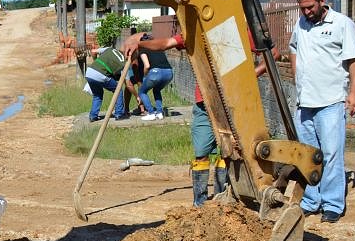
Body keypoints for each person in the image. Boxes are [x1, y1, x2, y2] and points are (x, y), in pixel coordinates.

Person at [124, 29, 269, 206]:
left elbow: (272, 53)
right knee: (201, 153)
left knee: (227, 152)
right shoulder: (196, 31)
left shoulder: (236, 29)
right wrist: (138, 44)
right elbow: (165, 43)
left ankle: (222, 201)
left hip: (231, 103)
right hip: (204, 103)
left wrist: (250, 75)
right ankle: (199, 205)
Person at [289, 0, 355, 222]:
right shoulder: (301, 25)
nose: (307, 12)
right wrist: (296, 74)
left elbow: (353, 61)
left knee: (331, 154)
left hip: (331, 101)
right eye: (303, 8)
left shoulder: (342, 24)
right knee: (308, 156)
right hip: (305, 103)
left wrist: (354, 93)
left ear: (322, 1)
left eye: (310, 7)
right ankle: (311, 200)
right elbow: (293, 49)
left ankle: (332, 204)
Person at [84, 45, 132, 122]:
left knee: (97, 95)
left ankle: (93, 116)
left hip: (89, 72)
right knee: (118, 90)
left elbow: (93, 52)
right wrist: (137, 96)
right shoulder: (124, 62)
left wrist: (96, 62)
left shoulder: (109, 49)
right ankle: (119, 114)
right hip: (100, 75)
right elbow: (128, 84)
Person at [135, 33, 174, 121]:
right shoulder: (158, 48)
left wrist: (145, 76)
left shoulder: (143, 49)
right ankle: (160, 113)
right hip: (169, 72)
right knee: (156, 90)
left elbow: (147, 66)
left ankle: (151, 113)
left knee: (142, 91)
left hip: (156, 72)